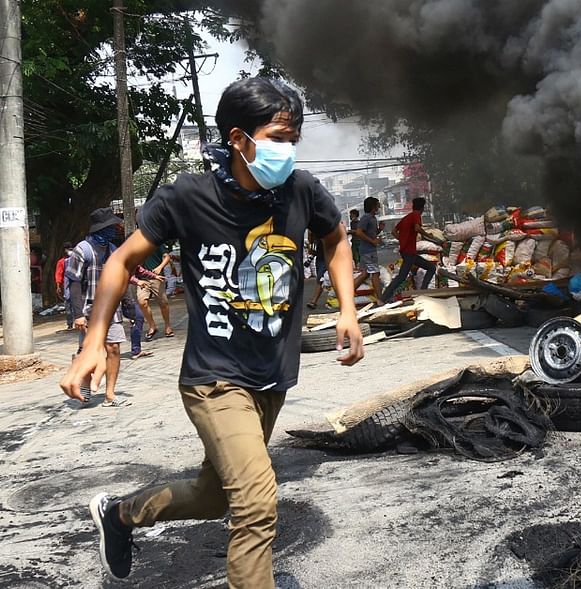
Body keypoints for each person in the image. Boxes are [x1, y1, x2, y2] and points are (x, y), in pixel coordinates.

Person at [60, 77, 363, 587]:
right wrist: (93, 342)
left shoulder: (301, 190)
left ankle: (120, 515)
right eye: (278, 139)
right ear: (239, 140)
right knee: (256, 501)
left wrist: (349, 309)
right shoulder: (188, 196)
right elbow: (120, 261)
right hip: (213, 377)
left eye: (294, 140)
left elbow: (335, 239)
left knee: (214, 495)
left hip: (271, 375)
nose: (287, 152)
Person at [66, 208, 130, 408]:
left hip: (112, 310)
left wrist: (129, 306)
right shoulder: (82, 250)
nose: (114, 231)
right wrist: (77, 314)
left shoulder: (113, 251)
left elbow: (122, 278)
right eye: (110, 227)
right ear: (100, 229)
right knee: (87, 351)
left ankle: (110, 394)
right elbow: (74, 283)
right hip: (88, 310)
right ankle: (84, 387)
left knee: (114, 348)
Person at [381, 197, 439, 302]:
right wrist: (428, 235)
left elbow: (394, 231)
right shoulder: (416, 215)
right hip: (409, 252)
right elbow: (417, 228)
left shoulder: (406, 217)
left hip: (407, 251)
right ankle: (384, 298)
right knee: (401, 277)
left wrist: (402, 240)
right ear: (422, 208)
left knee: (431, 268)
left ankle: (423, 291)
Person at [138, 240, 174, 341]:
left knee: (163, 303)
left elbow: (167, 256)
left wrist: (160, 267)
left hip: (156, 277)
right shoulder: (136, 244)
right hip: (141, 278)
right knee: (142, 302)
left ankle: (167, 326)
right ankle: (152, 326)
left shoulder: (156, 242)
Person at [352, 196, 383, 300]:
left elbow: (370, 233)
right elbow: (359, 232)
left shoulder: (373, 218)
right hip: (368, 250)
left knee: (365, 274)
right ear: (373, 206)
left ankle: (347, 294)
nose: (379, 206)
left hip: (368, 250)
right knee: (375, 273)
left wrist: (379, 230)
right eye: (377, 204)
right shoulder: (366, 218)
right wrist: (373, 241)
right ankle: (380, 299)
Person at [306, 231, 329, 309]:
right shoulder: (314, 233)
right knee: (321, 278)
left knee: (321, 279)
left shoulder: (325, 230)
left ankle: (314, 301)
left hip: (327, 256)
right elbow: (312, 241)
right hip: (320, 257)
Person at [55, 242, 74, 330]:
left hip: (76, 284)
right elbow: (59, 274)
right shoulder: (61, 262)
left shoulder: (76, 259)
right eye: (68, 249)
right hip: (68, 286)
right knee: (68, 305)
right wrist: (58, 286)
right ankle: (70, 323)